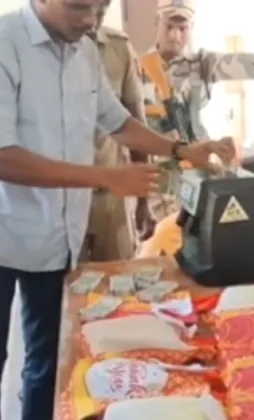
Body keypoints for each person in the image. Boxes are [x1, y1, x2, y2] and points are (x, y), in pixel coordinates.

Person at [0, 0, 235, 418]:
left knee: (47, 357)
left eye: (99, 8)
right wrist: (106, 178)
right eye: (79, 7)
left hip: (55, 235)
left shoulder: (83, 50)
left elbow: (117, 121)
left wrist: (180, 149)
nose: (89, 20)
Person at [140, 0, 254, 223]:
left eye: (183, 28)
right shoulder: (137, 69)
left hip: (198, 173)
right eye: (169, 26)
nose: (175, 35)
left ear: (192, 28)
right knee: (162, 239)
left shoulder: (201, 64)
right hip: (158, 184)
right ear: (156, 23)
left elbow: (248, 64)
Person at [84, 0, 151, 261]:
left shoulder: (118, 48)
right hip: (60, 198)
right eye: (88, 8)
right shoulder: (41, 50)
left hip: (111, 200)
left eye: (102, 10)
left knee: (121, 277)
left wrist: (144, 201)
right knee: (66, 282)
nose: (93, 19)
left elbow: (136, 125)